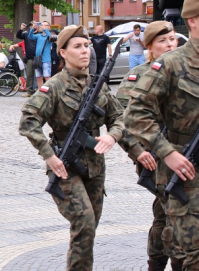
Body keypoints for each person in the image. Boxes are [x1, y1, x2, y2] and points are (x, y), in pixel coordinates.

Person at [19, 25, 125, 270]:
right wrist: (49, 156)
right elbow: (28, 122)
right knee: (84, 221)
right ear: (64, 53)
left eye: (86, 46)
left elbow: (119, 117)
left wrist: (113, 136)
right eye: (77, 46)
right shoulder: (54, 86)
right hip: (64, 166)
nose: (85, 51)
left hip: (95, 166)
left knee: (89, 228)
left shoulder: (98, 85)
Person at [124, 0, 199, 269]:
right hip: (187, 170)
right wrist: (166, 152)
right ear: (193, 20)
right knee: (195, 255)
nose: (168, 42)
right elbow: (135, 113)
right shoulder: (171, 64)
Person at [115, 21, 182, 270]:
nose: (170, 45)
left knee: (166, 214)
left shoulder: (188, 73)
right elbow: (120, 120)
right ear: (149, 46)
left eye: (173, 39)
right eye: (163, 41)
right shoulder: (138, 76)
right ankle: (174, 262)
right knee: (175, 213)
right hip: (155, 159)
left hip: (187, 155)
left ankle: (158, 263)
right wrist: (138, 152)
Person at [28, 21, 55, 88]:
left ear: (49, 27)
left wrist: (44, 29)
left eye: (46, 25)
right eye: (42, 25)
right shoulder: (39, 36)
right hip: (38, 59)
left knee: (47, 76)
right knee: (38, 77)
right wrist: (33, 28)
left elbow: (49, 36)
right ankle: (41, 91)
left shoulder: (50, 36)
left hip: (46, 60)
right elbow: (30, 37)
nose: (43, 26)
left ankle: (50, 91)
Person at [17, 21, 38, 97]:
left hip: (38, 57)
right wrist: (21, 29)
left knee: (38, 75)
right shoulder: (26, 34)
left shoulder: (40, 35)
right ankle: (29, 91)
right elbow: (18, 36)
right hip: (29, 57)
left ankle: (38, 90)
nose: (32, 26)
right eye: (31, 25)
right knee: (29, 75)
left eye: (34, 25)